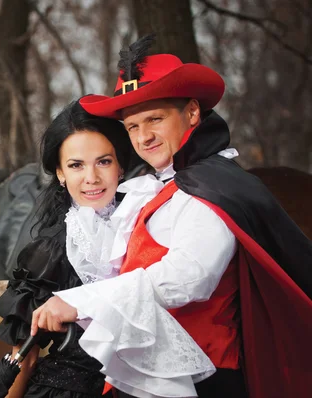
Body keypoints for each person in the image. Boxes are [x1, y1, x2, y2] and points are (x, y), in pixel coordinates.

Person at [31, 34, 312, 398]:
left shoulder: (212, 188)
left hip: (204, 383)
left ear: (192, 112)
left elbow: (186, 278)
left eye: (155, 119)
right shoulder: (159, 188)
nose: (143, 136)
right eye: (132, 126)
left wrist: (80, 301)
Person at [0, 99, 165, 397]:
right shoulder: (53, 247)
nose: (91, 178)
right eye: (76, 165)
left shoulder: (150, 217)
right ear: (60, 173)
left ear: (120, 165)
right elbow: (26, 354)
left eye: (103, 161)